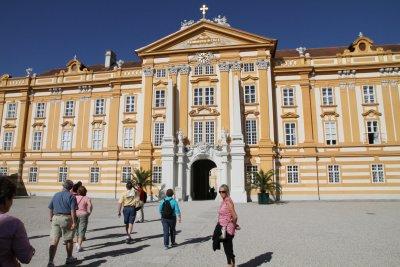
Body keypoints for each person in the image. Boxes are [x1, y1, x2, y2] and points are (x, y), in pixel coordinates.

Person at [0, 176, 35, 266]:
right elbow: (25, 257)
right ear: (6, 199)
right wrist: (31, 250)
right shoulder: (13, 224)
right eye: (12, 198)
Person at [47, 179, 77, 267]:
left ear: (63, 186)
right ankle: (69, 258)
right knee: (68, 239)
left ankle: (50, 261)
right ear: (71, 188)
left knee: (54, 241)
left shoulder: (56, 195)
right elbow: (72, 210)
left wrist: (51, 218)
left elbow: (50, 208)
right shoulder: (71, 196)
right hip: (66, 218)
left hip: (55, 218)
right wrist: (74, 222)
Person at [217, 184, 238, 267]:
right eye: (220, 192)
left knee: (228, 248)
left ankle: (230, 265)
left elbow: (235, 216)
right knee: (227, 248)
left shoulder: (228, 202)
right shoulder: (224, 200)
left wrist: (234, 224)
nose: (221, 193)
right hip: (223, 228)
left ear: (227, 192)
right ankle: (231, 264)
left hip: (228, 229)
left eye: (223, 192)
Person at [75, 186, 93, 252]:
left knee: (76, 229)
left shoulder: (75, 197)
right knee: (82, 229)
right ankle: (79, 246)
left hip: (75, 214)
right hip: (83, 214)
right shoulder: (87, 198)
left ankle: (77, 243)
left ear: (78, 191)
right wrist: (89, 212)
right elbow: (90, 205)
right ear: (85, 191)